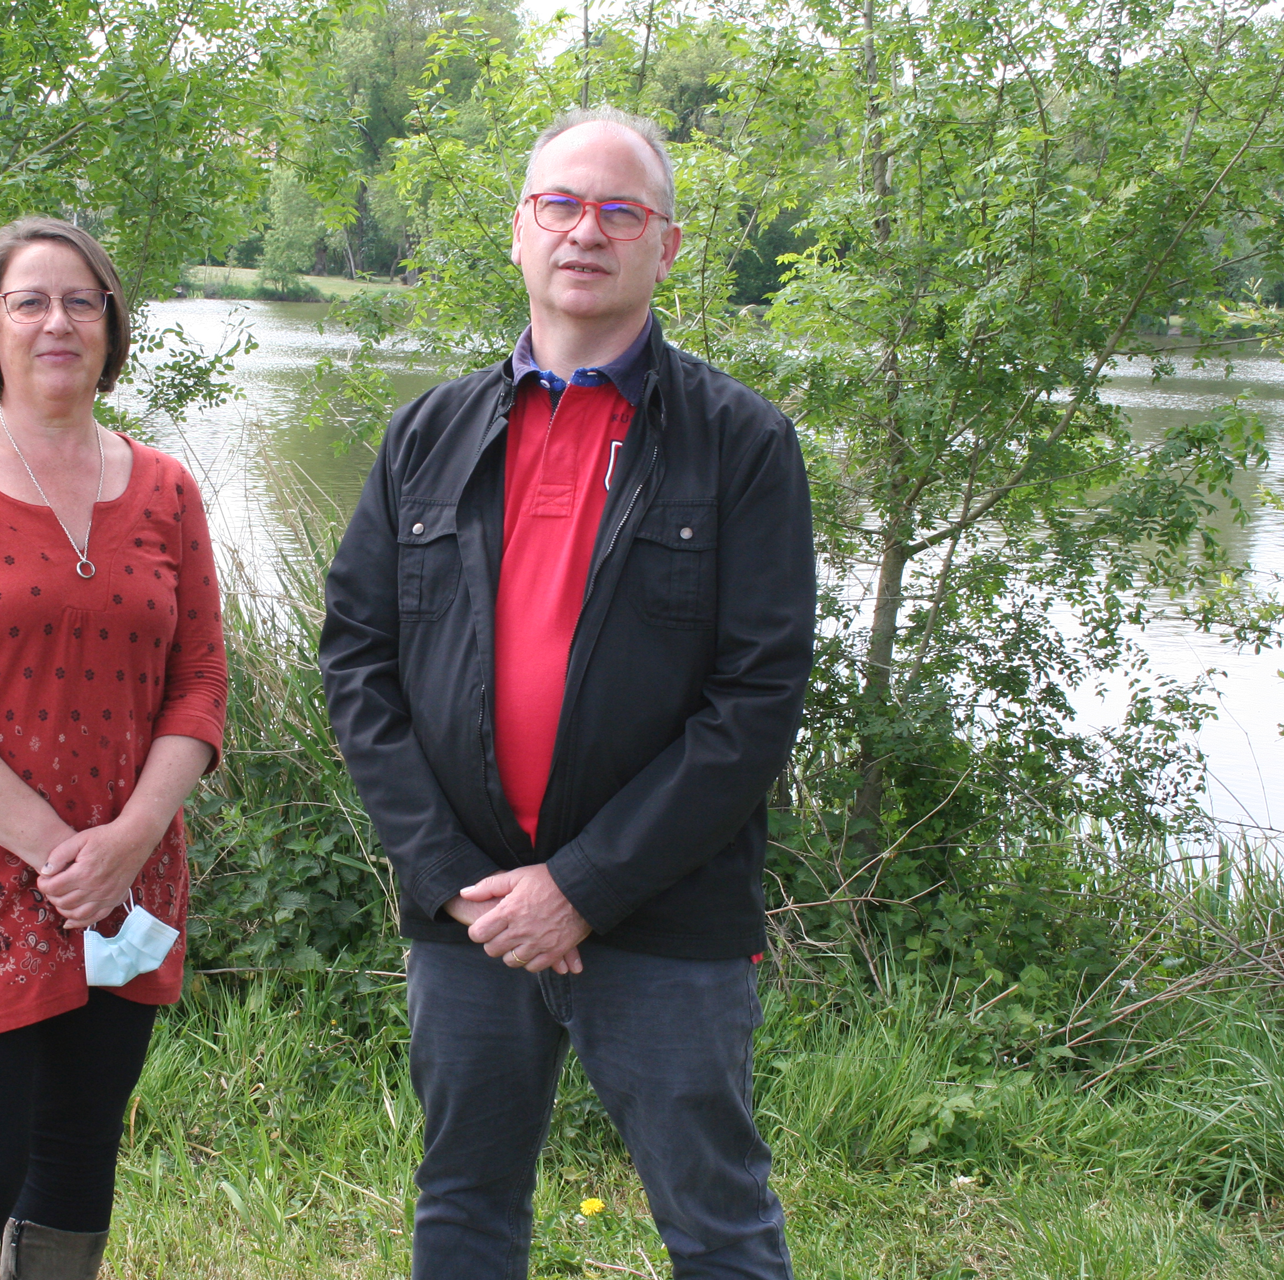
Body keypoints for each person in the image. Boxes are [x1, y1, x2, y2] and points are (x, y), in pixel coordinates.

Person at [319, 106, 815, 1278]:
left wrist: (582, 887)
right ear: (519, 231)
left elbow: (755, 701)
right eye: (561, 204)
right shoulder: (425, 436)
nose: (585, 232)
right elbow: (356, 660)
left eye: (619, 211)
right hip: (471, 911)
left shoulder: (742, 444)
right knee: (463, 1208)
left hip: (666, 914)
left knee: (718, 1219)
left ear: (666, 246)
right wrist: (449, 880)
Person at [0, 216, 227, 1280]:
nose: (58, 320)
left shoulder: (166, 489)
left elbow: (201, 683)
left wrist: (128, 840)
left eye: (81, 300)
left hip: (130, 880)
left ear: (112, 326)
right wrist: (61, 846)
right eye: (30, 300)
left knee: (77, 1160)